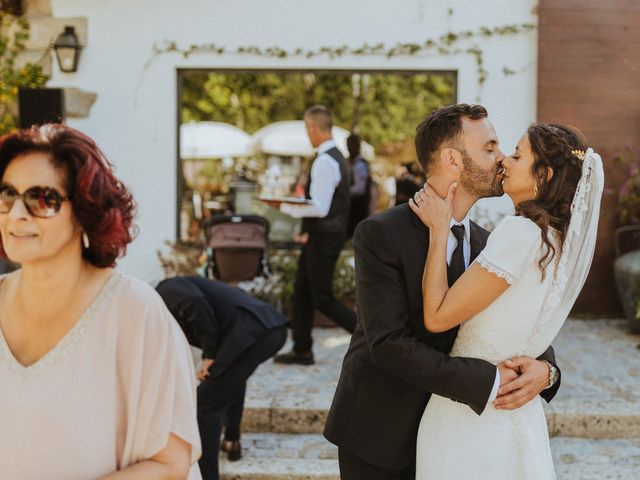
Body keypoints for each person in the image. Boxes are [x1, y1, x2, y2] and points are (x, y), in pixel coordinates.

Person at [324, 104, 562, 480]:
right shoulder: (380, 234)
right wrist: (489, 381)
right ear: (453, 159)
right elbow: (387, 344)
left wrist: (547, 370)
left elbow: (516, 322)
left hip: (456, 437)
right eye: (489, 148)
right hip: (381, 433)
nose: (501, 159)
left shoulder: (492, 244)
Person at [0, 124, 201, 479]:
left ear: (85, 211)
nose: (17, 214)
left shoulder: (135, 313)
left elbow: (170, 464)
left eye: (42, 198)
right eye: (7, 195)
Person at [412, 123, 603, 479]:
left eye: (516, 155)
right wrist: (547, 372)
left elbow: (437, 318)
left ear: (542, 175)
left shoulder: (519, 233)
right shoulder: (555, 243)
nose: (505, 162)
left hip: (468, 418)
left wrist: (438, 231)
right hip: (518, 414)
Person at [155, 275, 287, 480]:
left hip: (253, 332)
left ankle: (208, 476)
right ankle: (231, 441)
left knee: (204, 406)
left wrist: (210, 353)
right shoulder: (168, 303)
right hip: (267, 330)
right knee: (229, 380)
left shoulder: (164, 290)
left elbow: (194, 302)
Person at [273, 105, 357, 366]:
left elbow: (320, 207)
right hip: (323, 236)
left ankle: (370, 338)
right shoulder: (336, 157)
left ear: (313, 127)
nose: (307, 134)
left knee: (321, 296)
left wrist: (283, 206)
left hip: (325, 237)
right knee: (302, 293)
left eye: (306, 128)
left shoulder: (324, 160)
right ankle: (302, 349)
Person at [346, 133, 372, 238]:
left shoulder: (360, 165)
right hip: (354, 206)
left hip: (358, 207)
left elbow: (360, 188)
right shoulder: (352, 162)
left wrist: (345, 191)